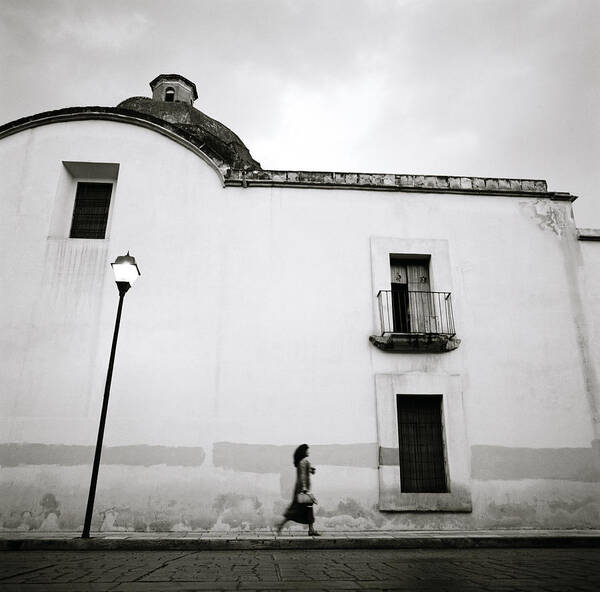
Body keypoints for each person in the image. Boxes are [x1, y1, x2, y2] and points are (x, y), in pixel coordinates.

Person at [276, 443, 320, 536]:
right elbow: (303, 476)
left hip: (300, 489)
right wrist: (304, 489)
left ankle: (310, 530)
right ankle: (280, 525)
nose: (308, 452)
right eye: (307, 450)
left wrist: (310, 470)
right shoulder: (304, 462)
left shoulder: (302, 462)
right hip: (302, 489)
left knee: (303, 509)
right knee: (300, 509)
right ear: (304, 452)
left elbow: (303, 472)